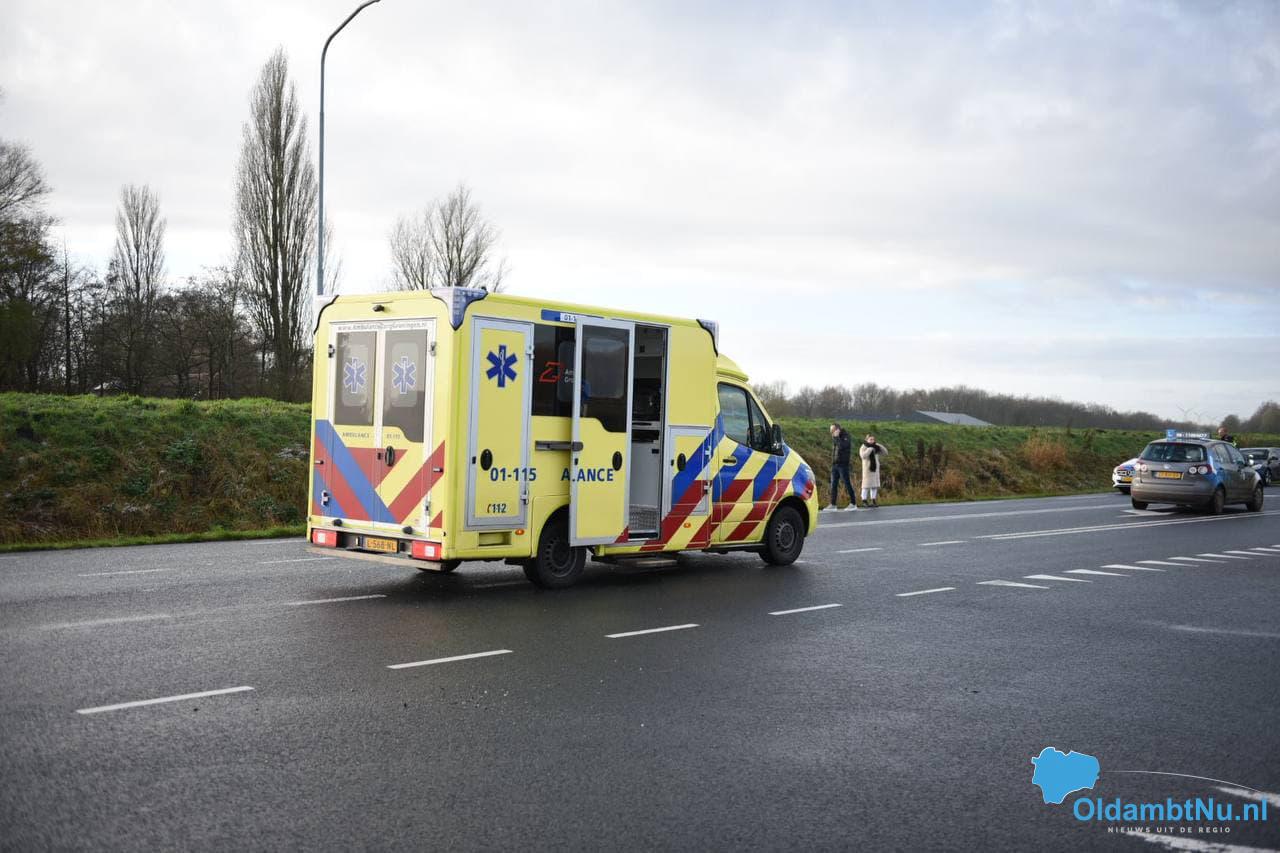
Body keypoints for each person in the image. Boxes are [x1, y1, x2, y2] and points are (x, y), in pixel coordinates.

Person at [826, 423, 857, 510]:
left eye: (832, 430)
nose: (831, 432)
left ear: (838, 429)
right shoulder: (836, 438)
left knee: (847, 483)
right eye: (830, 431)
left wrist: (836, 438)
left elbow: (842, 446)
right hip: (835, 464)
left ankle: (853, 503)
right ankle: (833, 504)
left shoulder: (846, 436)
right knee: (833, 484)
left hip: (843, 464)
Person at [859, 434, 888, 508]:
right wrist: (870, 449)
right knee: (866, 486)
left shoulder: (876, 447)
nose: (872, 441)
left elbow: (885, 453)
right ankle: (864, 500)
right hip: (867, 469)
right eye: (870, 439)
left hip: (875, 469)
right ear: (867, 440)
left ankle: (873, 500)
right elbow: (863, 456)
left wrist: (879, 445)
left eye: (873, 439)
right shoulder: (863, 447)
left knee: (874, 485)